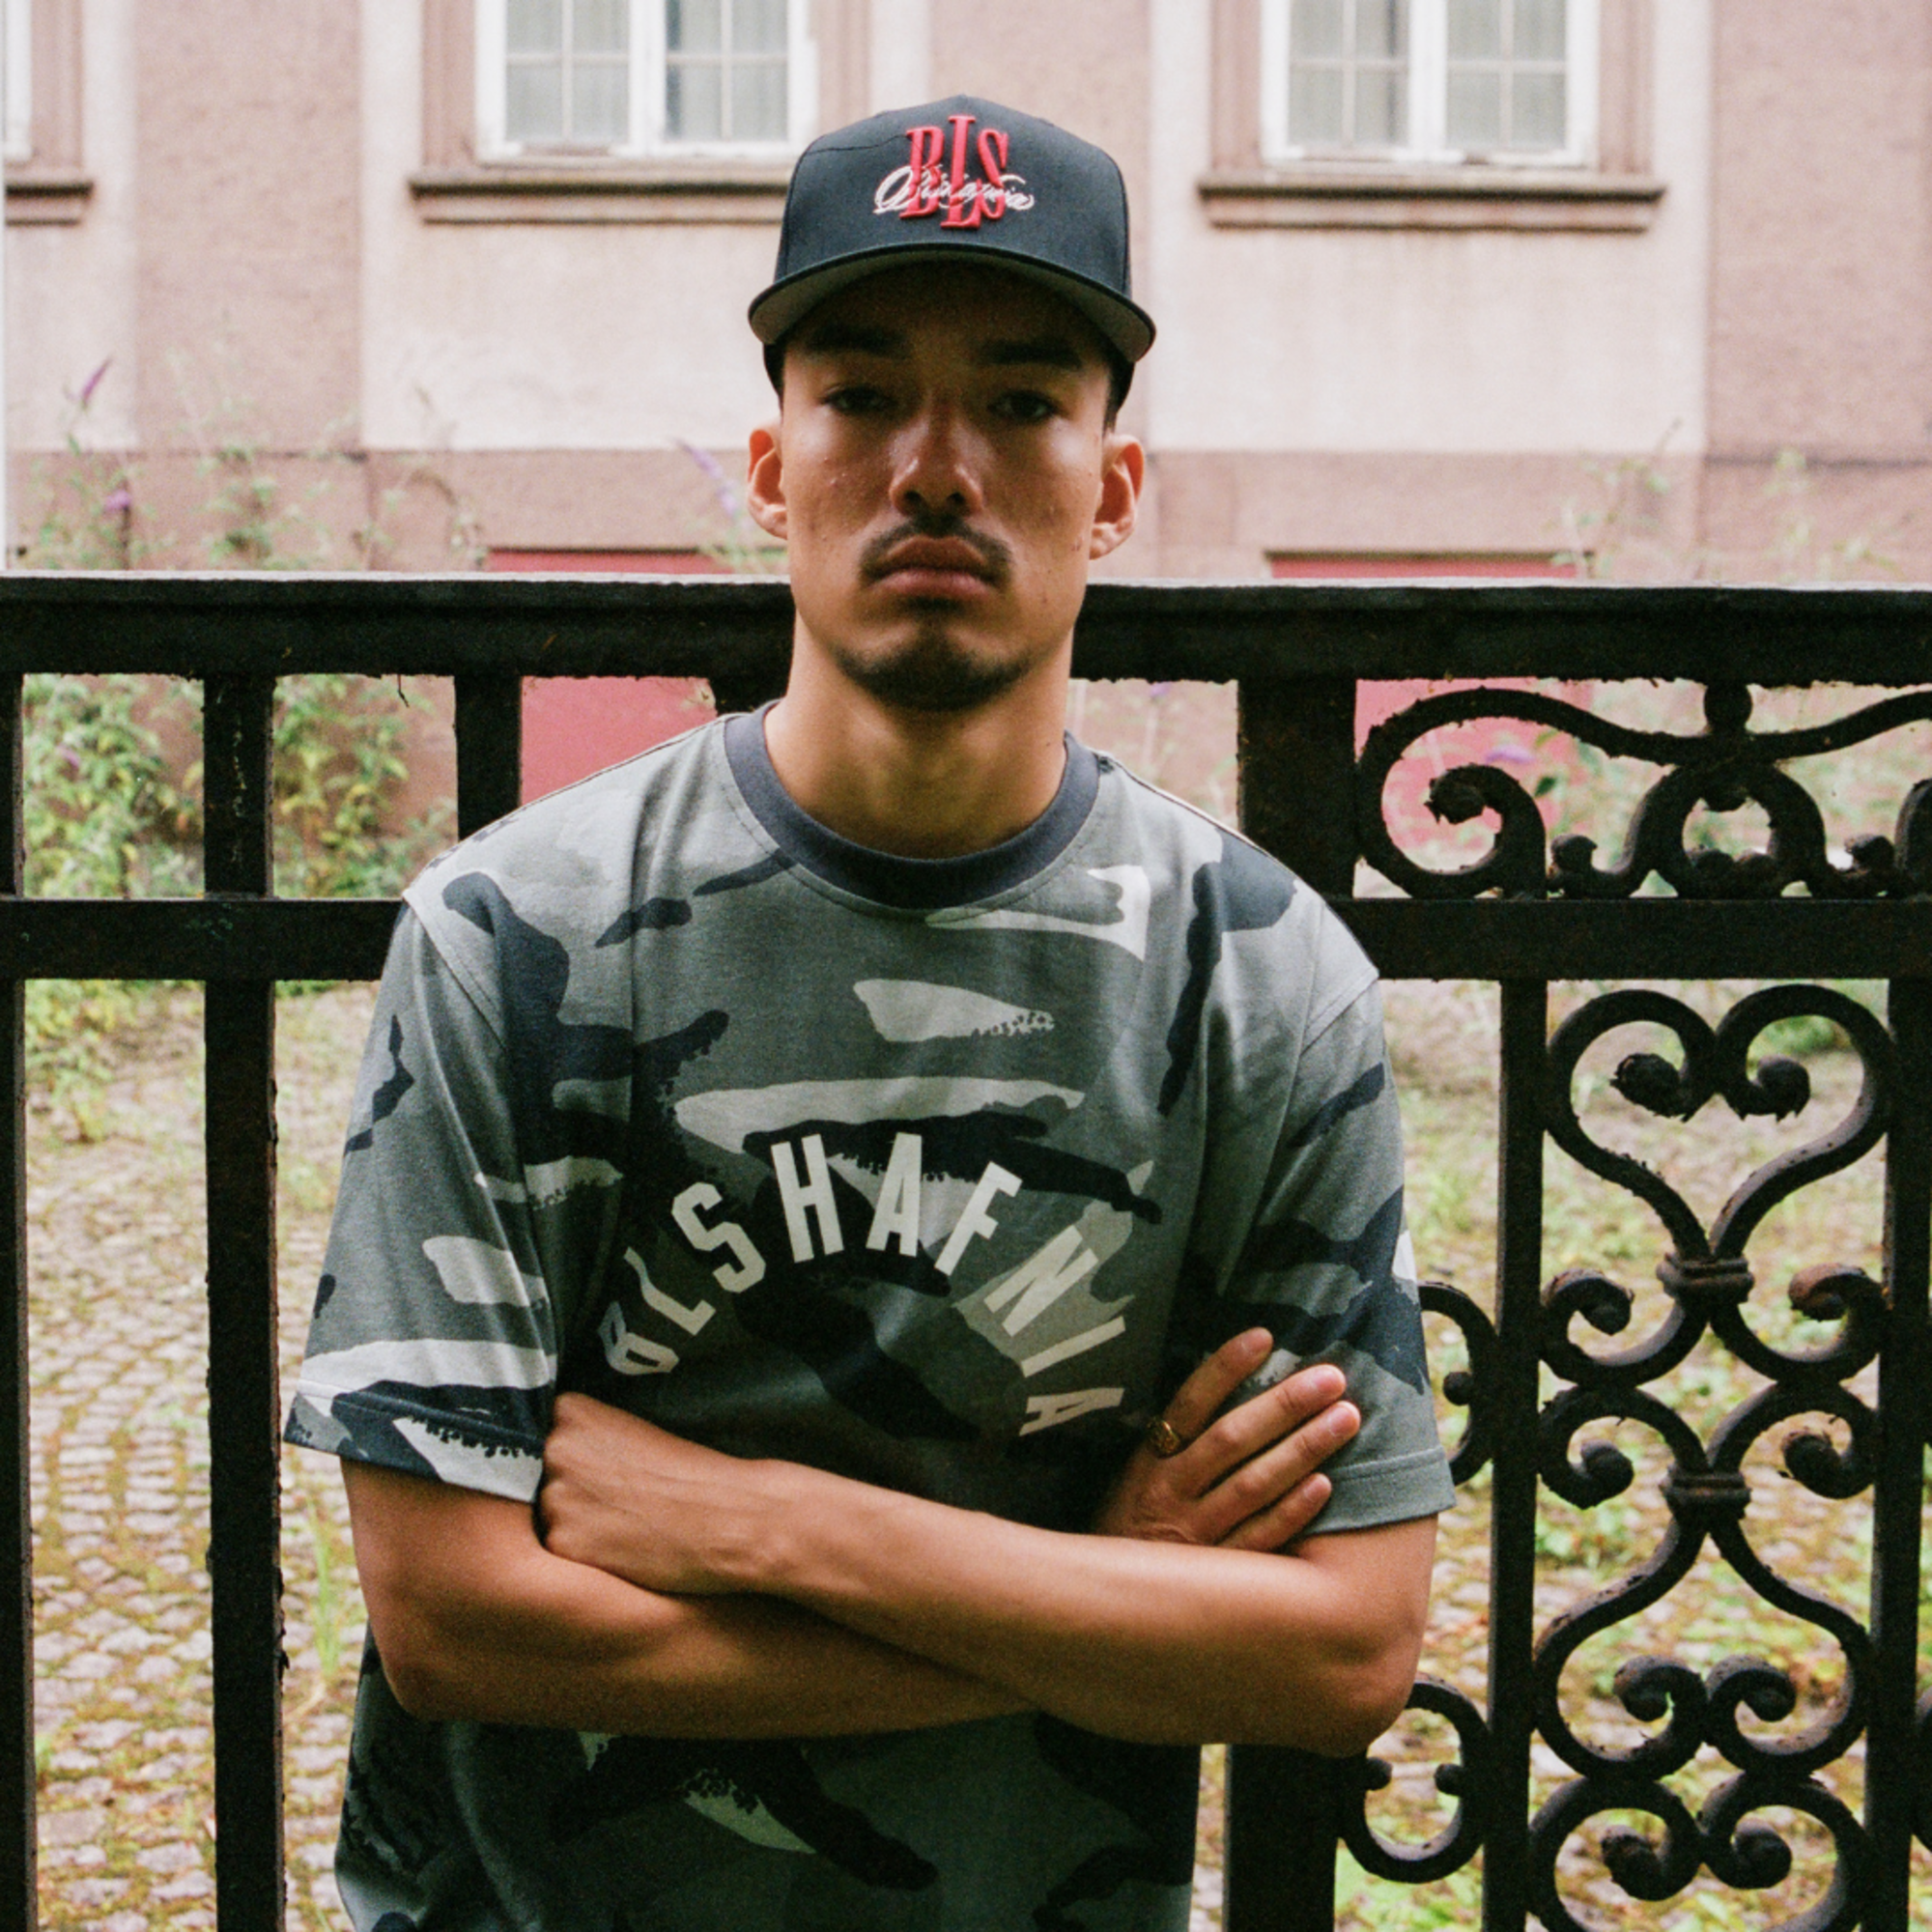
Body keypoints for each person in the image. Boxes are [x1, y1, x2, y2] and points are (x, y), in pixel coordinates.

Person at [285, 94, 1453, 1932]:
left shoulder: (1259, 975)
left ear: (1114, 487)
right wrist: (1095, 1592)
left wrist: (770, 1525)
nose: (934, 469)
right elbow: (455, 1620)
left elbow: (1341, 1651)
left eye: (1021, 400)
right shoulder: (516, 933)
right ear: (772, 470)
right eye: (860, 394)